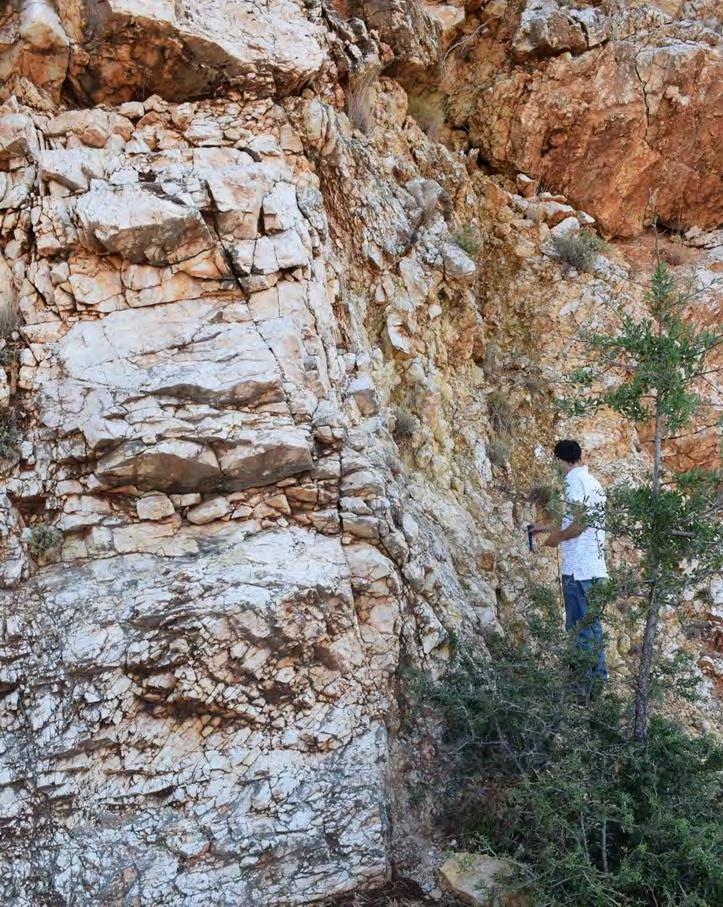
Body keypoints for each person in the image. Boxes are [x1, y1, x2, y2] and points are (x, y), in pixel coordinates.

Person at [532, 439, 608, 688]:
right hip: (597, 571)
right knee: (592, 628)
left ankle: (580, 688)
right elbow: (583, 523)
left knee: (578, 630)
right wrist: (544, 528)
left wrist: (556, 538)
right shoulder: (594, 483)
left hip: (579, 571)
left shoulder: (573, 481)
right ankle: (597, 684)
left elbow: (580, 523)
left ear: (558, 460)